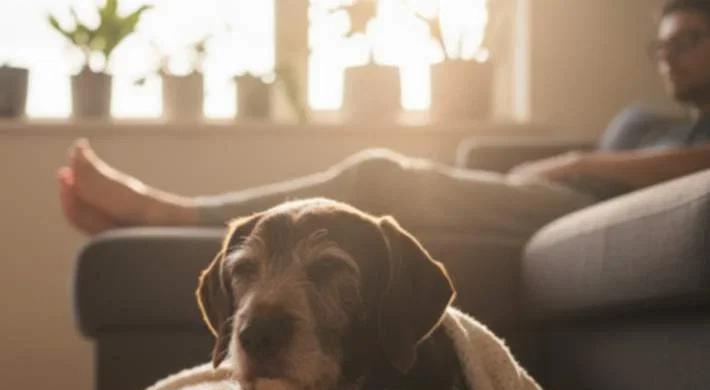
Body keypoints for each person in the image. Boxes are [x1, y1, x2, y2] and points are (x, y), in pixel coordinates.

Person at [57, 0, 710, 238]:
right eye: (662, 47)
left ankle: (166, 210)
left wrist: (579, 162)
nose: (669, 60)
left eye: (687, 42)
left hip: (570, 206)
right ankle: (169, 217)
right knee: (392, 189)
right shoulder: (648, 123)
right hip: (545, 202)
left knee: (378, 174)